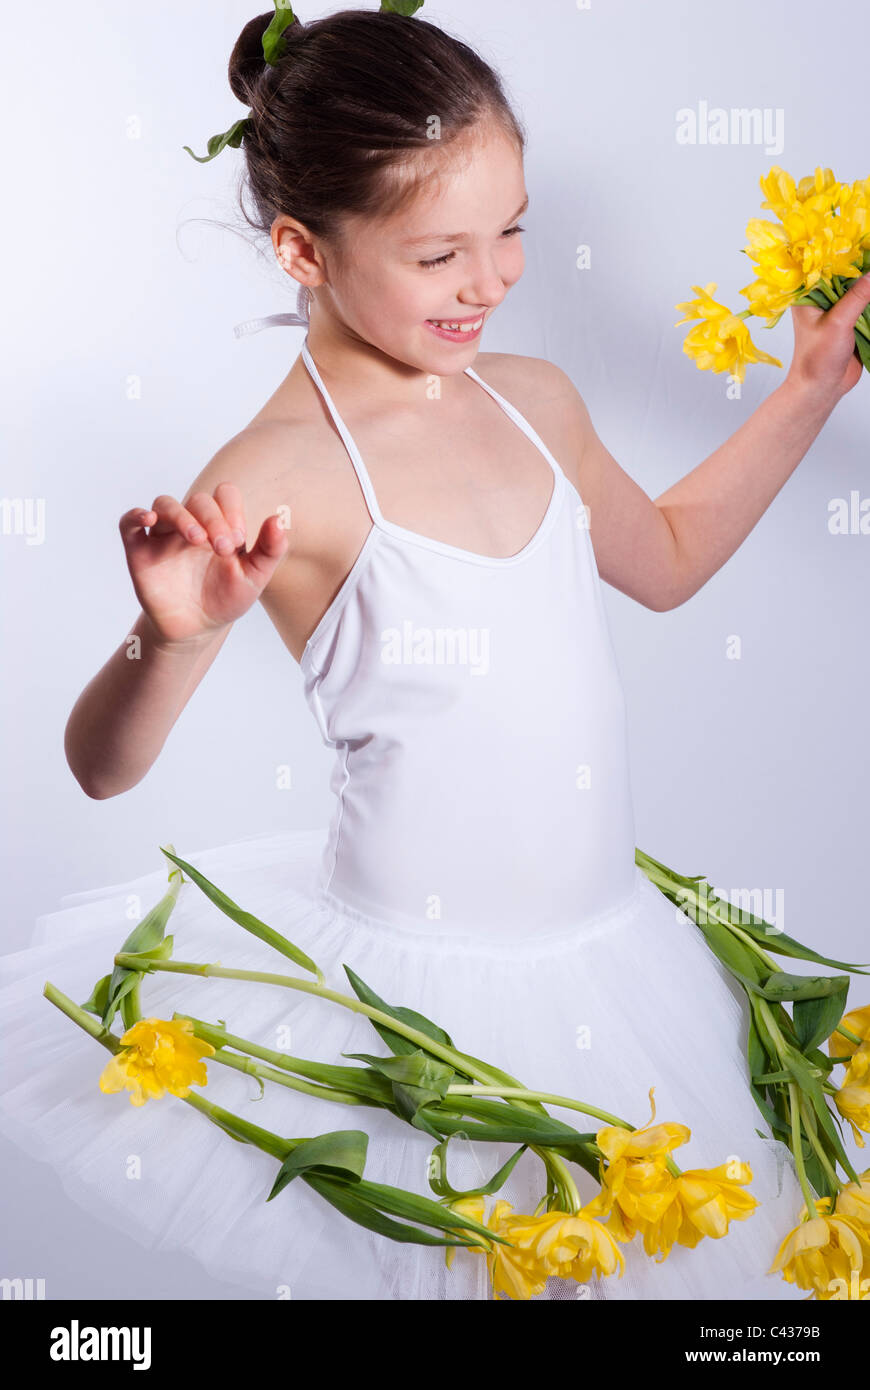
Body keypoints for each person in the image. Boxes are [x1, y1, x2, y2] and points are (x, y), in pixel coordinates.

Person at [2, 6, 867, 1302]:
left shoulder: (534, 402)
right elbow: (103, 764)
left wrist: (803, 392)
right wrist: (166, 637)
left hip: (609, 955)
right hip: (410, 988)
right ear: (304, 247)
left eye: (510, 228)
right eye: (438, 253)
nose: (489, 279)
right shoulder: (275, 476)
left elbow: (671, 559)